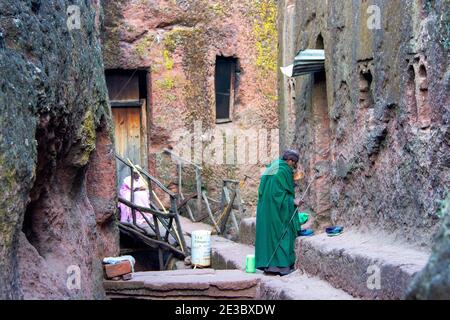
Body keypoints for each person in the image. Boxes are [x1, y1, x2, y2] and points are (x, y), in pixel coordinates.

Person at [255, 149, 303, 276]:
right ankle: (282, 267)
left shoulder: (274, 166)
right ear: (290, 161)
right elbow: (278, 195)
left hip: (266, 207)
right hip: (276, 208)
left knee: (270, 235)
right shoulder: (283, 170)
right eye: (294, 163)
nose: (294, 167)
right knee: (282, 233)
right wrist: (292, 201)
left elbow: (271, 190)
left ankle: (269, 265)